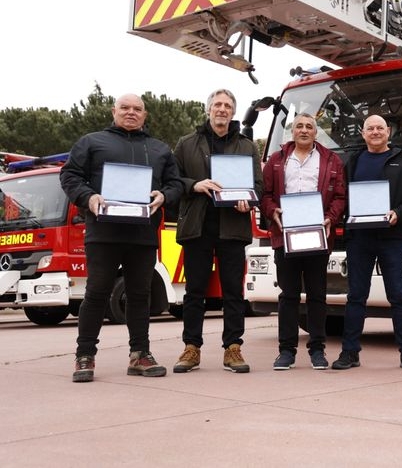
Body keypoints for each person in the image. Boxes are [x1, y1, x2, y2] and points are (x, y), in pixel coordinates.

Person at [60, 93, 183, 382]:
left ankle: (140, 354)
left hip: (142, 234)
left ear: (145, 114)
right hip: (103, 233)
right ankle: (84, 356)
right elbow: (69, 176)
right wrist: (88, 197)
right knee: (98, 291)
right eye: (125, 108)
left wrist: (165, 195)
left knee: (140, 294)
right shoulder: (91, 142)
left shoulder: (159, 149)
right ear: (114, 111)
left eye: (137, 109)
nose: (131, 113)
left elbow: (176, 183)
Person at [171, 89, 263, 374]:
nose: (222, 109)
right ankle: (191, 348)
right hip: (197, 226)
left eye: (227, 105)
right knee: (195, 290)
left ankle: (233, 348)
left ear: (233, 112)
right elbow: (173, 181)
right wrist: (194, 185)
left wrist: (248, 201)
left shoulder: (247, 146)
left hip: (232, 228)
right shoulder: (186, 144)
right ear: (208, 109)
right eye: (217, 105)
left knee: (233, 291)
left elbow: (258, 187)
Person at [332, 114, 402, 372]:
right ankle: (349, 353)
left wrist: (400, 212)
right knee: (356, 296)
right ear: (363, 133)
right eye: (370, 128)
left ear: (388, 132)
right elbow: (341, 195)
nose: (375, 132)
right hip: (359, 238)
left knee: (398, 296)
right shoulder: (352, 162)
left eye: (379, 128)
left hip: (392, 237)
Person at [261, 113, 346, 370]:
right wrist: (273, 211)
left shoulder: (332, 161)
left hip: (317, 236)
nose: (304, 130)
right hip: (285, 237)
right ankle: (286, 351)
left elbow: (341, 196)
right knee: (288, 295)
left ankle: (317, 350)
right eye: (299, 126)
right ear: (292, 131)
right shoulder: (276, 161)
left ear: (316, 133)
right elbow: (264, 195)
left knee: (317, 296)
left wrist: (331, 217)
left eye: (309, 126)